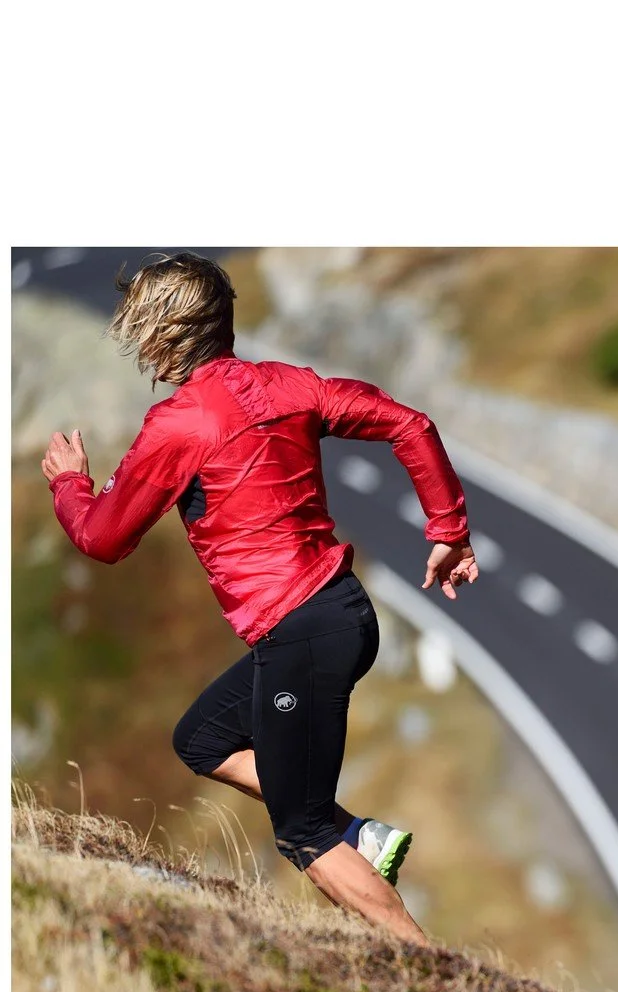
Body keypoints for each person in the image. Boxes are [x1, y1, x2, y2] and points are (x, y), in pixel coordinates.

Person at [42, 251, 479, 947]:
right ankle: (362, 837)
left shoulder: (178, 425)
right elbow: (411, 424)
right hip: (342, 614)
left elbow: (102, 538)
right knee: (202, 739)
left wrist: (70, 483)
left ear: (163, 331)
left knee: (302, 831)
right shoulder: (289, 385)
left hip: (300, 630)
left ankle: (436, 971)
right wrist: (448, 530)